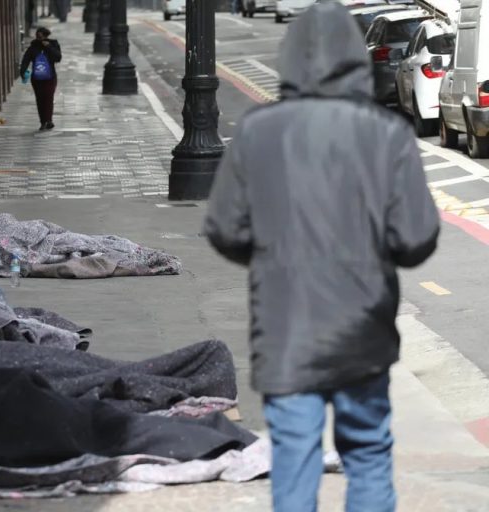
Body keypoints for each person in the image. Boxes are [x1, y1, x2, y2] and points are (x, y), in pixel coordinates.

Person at [204, 3, 439, 512]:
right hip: (363, 327)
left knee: (294, 455)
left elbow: (223, 229)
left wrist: (273, 253)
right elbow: (417, 238)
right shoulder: (387, 134)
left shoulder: (257, 131)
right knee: (370, 453)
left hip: (285, 323)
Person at [20, 27, 62, 131]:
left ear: (46, 35)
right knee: (40, 99)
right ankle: (43, 121)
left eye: (41, 35)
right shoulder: (33, 46)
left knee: (48, 98)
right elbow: (26, 59)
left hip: (50, 77)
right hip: (37, 79)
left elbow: (58, 58)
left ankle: (48, 120)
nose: (40, 38)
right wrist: (22, 72)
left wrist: (48, 47)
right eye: (38, 36)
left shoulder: (53, 44)